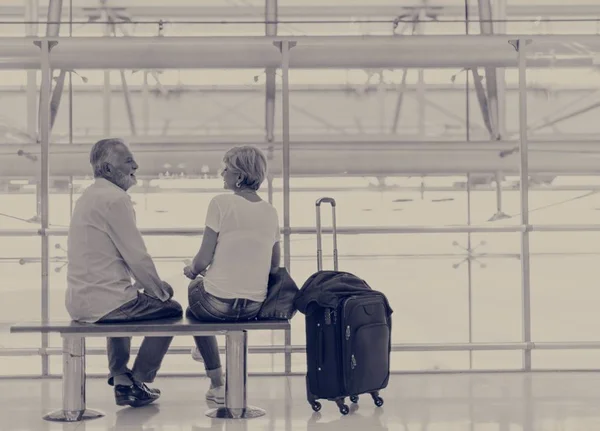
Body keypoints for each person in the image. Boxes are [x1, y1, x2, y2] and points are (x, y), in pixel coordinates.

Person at [66, 138, 183, 408]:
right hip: (106, 301)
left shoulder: (88, 196)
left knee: (126, 301)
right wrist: (160, 292)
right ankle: (136, 380)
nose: (136, 165)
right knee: (173, 311)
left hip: (80, 300)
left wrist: (149, 289)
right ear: (107, 168)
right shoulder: (115, 199)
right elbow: (137, 256)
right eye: (128, 161)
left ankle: (120, 377)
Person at [183, 145, 281, 406]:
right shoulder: (271, 212)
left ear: (239, 176)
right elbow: (274, 266)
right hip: (253, 306)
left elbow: (202, 260)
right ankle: (208, 355)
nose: (221, 174)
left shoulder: (220, 203)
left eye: (225, 169)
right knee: (208, 300)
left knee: (194, 303)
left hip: (216, 305)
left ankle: (216, 381)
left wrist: (191, 270)